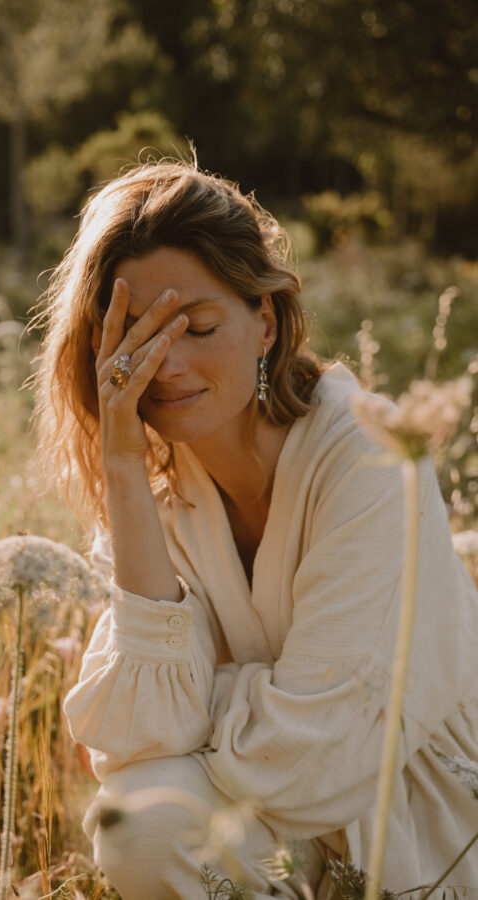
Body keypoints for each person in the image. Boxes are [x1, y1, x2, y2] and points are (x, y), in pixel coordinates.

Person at [34, 161, 478, 899]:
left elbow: (320, 754)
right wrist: (118, 458)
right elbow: (133, 737)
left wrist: (203, 695)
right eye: (135, 335)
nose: (165, 364)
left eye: (198, 327)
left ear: (264, 323)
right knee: (139, 823)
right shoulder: (152, 485)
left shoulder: (367, 456)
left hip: (418, 823)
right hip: (265, 818)